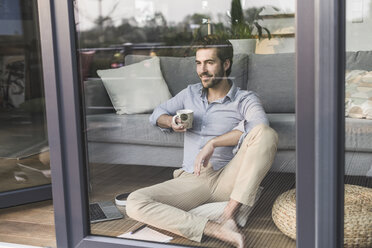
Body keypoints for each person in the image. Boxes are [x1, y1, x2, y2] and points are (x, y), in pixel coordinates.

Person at [126, 36, 278, 248]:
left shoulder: (244, 99)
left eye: (209, 62)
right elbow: (157, 113)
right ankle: (216, 227)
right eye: (198, 63)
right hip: (192, 179)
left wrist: (214, 143)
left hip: (227, 177)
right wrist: (172, 122)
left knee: (266, 133)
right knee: (134, 202)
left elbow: (259, 126)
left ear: (226, 64)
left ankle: (228, 212)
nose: (202, 70)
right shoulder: (189, 93)